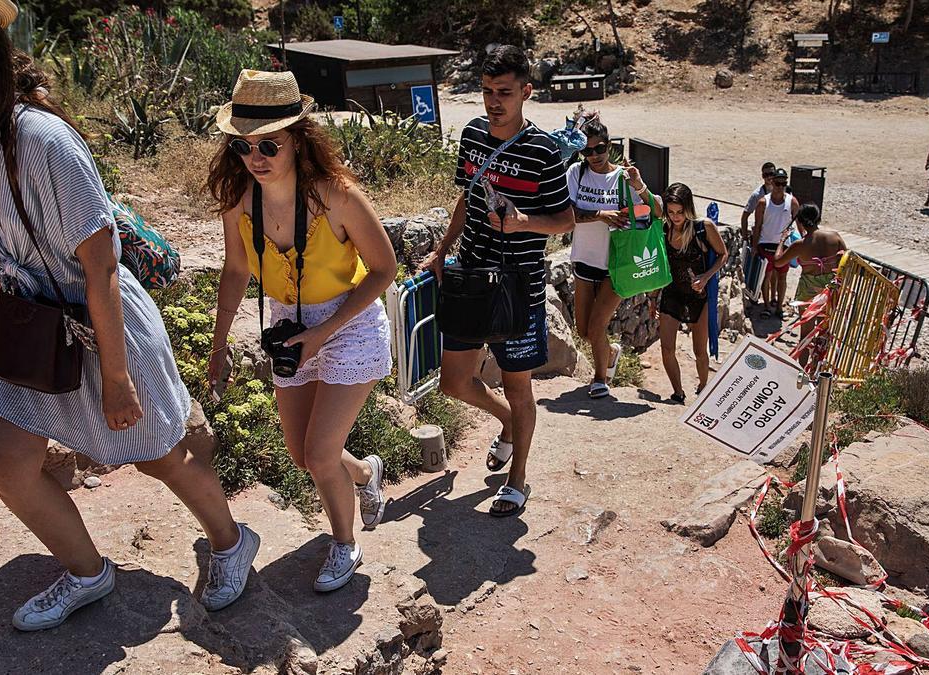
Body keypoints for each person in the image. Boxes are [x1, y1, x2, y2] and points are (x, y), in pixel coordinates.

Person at [0, 0, 257, 629]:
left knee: (158, 454)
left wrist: (116, 374)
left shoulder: (40, 137)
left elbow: (100, 261)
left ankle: (232, 541)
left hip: (102, 324)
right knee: (2, 455)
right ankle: (87, 572)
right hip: (35, 323)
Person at [205, 70, 396, 592]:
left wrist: (327, 329)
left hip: (348, 323)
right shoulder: (240, 199)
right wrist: (218, 346)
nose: (256, 158)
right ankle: (364, 474)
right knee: (304, 454)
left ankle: (344, 544)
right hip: (290, 325)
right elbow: (237, 271)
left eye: (269, 144)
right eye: (244, 147)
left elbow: (384, 268)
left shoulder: (337, 196)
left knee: (316, 455)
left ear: (298, 140)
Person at [420, 45, 574, 518]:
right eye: (487, 92)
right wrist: (443, 250)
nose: (493, 102)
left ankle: (517, 480)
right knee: (453, 381)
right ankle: (508, 422)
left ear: (526, 92)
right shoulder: (471, 136)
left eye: (504, 92)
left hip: (518, 287)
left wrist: (523, 222)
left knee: (518, 385)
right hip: (470, 277)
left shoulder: (545, 151)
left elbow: (565, 219)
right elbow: (466, 200)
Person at [566, 117, 652, 399]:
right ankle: (611, 351)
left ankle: (600, 379)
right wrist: (601, 215)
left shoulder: (623, 178)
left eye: (599, 149)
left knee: (596, 324)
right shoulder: (576, 174)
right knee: (583, 330)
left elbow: (650, 213)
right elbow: (567, 216)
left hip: (616, 264)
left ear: (609, 145)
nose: (593, 156)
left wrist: (635, 198)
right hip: (584, 260)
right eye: (587, 151)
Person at [655, 183, 728, 403]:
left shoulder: (703, 228)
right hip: (672, 292)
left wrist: (706, 277)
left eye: (679, 212)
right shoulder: (663, 229)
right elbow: (660, 264)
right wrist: (652, 297)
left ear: (688, 208)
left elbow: (723, 254)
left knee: (699, 350)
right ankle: (678, 393)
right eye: (671, 212)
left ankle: (704, 387)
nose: (675, 217)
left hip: (699, 296)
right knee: (666, 347)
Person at [774, 203, 846, 364]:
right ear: (818, 217)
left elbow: (778, 261)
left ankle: (802, 373)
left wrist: (782, 241)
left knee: (805, 335)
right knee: (824, 333)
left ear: (800, 222)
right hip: (829, 291)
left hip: (807, 291)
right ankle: (817, 369)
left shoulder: (801, 245)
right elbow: (845, 262)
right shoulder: (835, 237)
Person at [752, 168, 800, 318]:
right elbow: (758, 225)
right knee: (766, 276)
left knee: (782, 277)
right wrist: (754, 246)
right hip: (765, 244)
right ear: (772, 182)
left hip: (783, 246)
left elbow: (798, 222)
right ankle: (766, 306)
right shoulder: (762, 202)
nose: (780, 186)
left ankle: (779, 307)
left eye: (783, 183)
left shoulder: (792, 201)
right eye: (778, 183)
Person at [740, 161, 776, 241]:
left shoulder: (783, 190)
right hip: (762, 235)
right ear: (763, 176)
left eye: (771, 174)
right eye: (766, 175)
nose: (769, 177)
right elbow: (744, 216)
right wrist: (745, 238)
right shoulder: (757, 195)